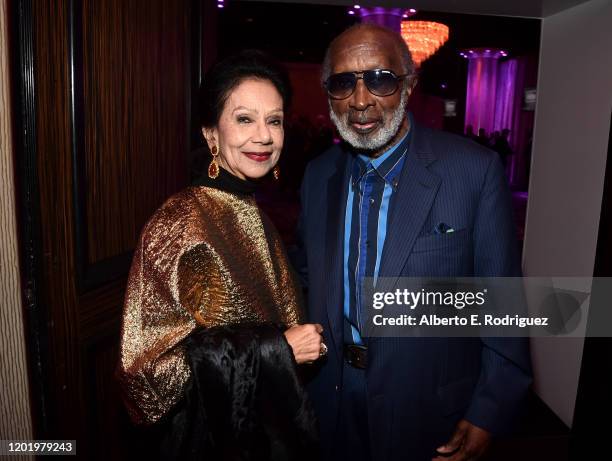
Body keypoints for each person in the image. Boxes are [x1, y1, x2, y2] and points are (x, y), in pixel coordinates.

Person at [295, 24, 532, 461]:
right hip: (330, 398)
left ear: (409, 85)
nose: (361, 101)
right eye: (344, 83)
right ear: (329, 93)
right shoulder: (318, 176)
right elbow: (307, 278)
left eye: (380, 79)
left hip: (429, 407)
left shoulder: (473, 171)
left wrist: (488, 411)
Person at [117, 50, 324, 460]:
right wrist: (275, 351)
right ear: (211, 134)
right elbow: (144, 379)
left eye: (275, 120)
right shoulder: (181, 221)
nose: (264, 136)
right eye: (244, 119)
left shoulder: (253, 211)